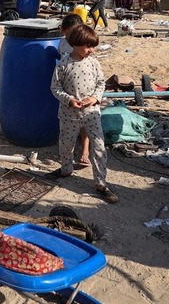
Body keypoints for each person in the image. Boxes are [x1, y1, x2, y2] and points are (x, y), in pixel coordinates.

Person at [49, 24, 118, 203]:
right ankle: (65, 170)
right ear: (74, 44)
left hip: (92, 113)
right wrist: (69, 99)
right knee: (66, 144)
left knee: (99, 146)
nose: (91, 50)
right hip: (68, 114)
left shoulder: (94, 63)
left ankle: (101, 183)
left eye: (93, 46)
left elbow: (101, 83)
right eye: (88, 46)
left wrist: (95, 98)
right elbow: (55, 88)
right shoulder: (63, 65)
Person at [58, 14, 91, 167]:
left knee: (85, 122)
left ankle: (85, 152)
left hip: (84, 87)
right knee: (68, 123)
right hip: (68, 88)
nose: (74, 37)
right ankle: (69, 152)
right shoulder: (62, 44)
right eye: (71, 33)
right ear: (63, 31)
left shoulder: (85, 44)